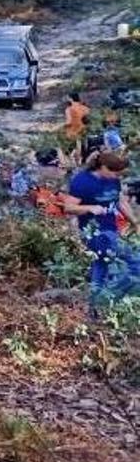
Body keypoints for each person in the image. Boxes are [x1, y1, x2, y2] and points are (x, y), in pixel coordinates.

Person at [62, 152, 140, 307]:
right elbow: (68, 207)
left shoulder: (113, 180)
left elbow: (119, 202)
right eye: (113, 172)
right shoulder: (82, 181)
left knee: (101, 268)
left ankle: (95, 308)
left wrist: (135, 222)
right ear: (103, 167)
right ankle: (106, 299)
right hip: (95, 233)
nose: (116, 176)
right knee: (136, 263)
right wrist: (90, 207)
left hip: (111, 230)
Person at [64, 93, 91, 163]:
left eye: (68, 98)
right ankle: (85, 158)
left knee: (73, 146)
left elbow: (69, 121)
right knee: (84, 144)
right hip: (83, 128)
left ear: (70, 98)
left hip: (73, 130)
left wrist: (63, 126)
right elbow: (87, 119)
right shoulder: (85, 107)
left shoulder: (69, 109)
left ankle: (75, 160)